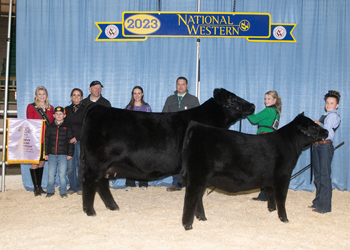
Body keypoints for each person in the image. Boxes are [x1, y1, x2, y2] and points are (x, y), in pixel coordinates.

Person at [162, 76, 200, 191]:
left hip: (188, 134)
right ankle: (176, 184)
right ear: (176, 86)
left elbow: (198, 118)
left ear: (187, 86)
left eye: (183, 84)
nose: (181, 86)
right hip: (173, 136)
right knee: (175, 159)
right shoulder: (170, 99)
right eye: (178, 84)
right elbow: (164, 116)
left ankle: (190, 183)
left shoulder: (193, 100)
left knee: (190, 159)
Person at [247, 90, 282, 201]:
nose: (266, 101)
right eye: (265, 99)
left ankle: (265, 195)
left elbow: (254, 119)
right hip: (270, 140)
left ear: (275, 100)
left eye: (269, 99)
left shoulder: (269, 111)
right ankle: (265, 194)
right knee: (267, 168)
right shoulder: (276, 111)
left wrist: (247, 111)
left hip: (264, 140)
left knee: (263, 168)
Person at [310, 90, 341, 214]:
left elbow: (326, 131)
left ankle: (325, 206)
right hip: (318, 145)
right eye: (327, 102)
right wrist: (319, 123)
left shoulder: (333, 115)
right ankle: (318, 202)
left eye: (332, 103)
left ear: (336, 105)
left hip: (325, 146)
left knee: (324, 176)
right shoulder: (326, 115)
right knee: (318, 175)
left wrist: (317, 125)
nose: (328, 105)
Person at [26, 86, 54, 196]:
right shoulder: (31, 107)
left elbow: (52, 124)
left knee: (42, 162)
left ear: (46, 95)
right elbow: (30, 122)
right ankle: (35, 187)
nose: (42, 96)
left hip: (47, 139)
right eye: (39, 94)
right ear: (36, 96)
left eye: (43, 94)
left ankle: (40, 186)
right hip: (35, 139)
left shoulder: (51, 108)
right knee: (35, 162)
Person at [125, 86, 152, 191]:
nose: (137, 95)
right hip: (131, 139)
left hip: (144, 139)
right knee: (129, 161)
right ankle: (130, 183)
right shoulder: (128, 108)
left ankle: (143, 183)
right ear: (132, 95)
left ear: (142, 94)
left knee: (143, 161)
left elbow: (150, 123)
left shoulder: (147, 107)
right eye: (135, 93)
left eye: (139, 93)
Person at [45, 107, 74, 198]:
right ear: (53, 115)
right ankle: (50, 191)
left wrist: (70, 154)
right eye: (56, 114)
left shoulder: (68, 127)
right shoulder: (50, 126)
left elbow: (70, 141)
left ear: (64, 116)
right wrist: (46, 153)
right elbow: (46, 141)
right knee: (51, 174)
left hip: (63, 154)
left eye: (60, 114)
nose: (58, 115)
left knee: (62, 174)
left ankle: (63, 191)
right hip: (52, 154)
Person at [65, 88, 85, 195]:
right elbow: (64, 125)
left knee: (80, 164)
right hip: (69, 141)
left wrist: (77, 137)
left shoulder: (85, 109)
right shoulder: (66, 110)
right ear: (71, 97)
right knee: (70, 165)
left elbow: (86, 126)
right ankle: (72, 187)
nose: (76, 97)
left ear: (81, 97)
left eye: (78, 95)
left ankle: (80, 186)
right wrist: (69, 137)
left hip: (80, 140)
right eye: (74, 95)